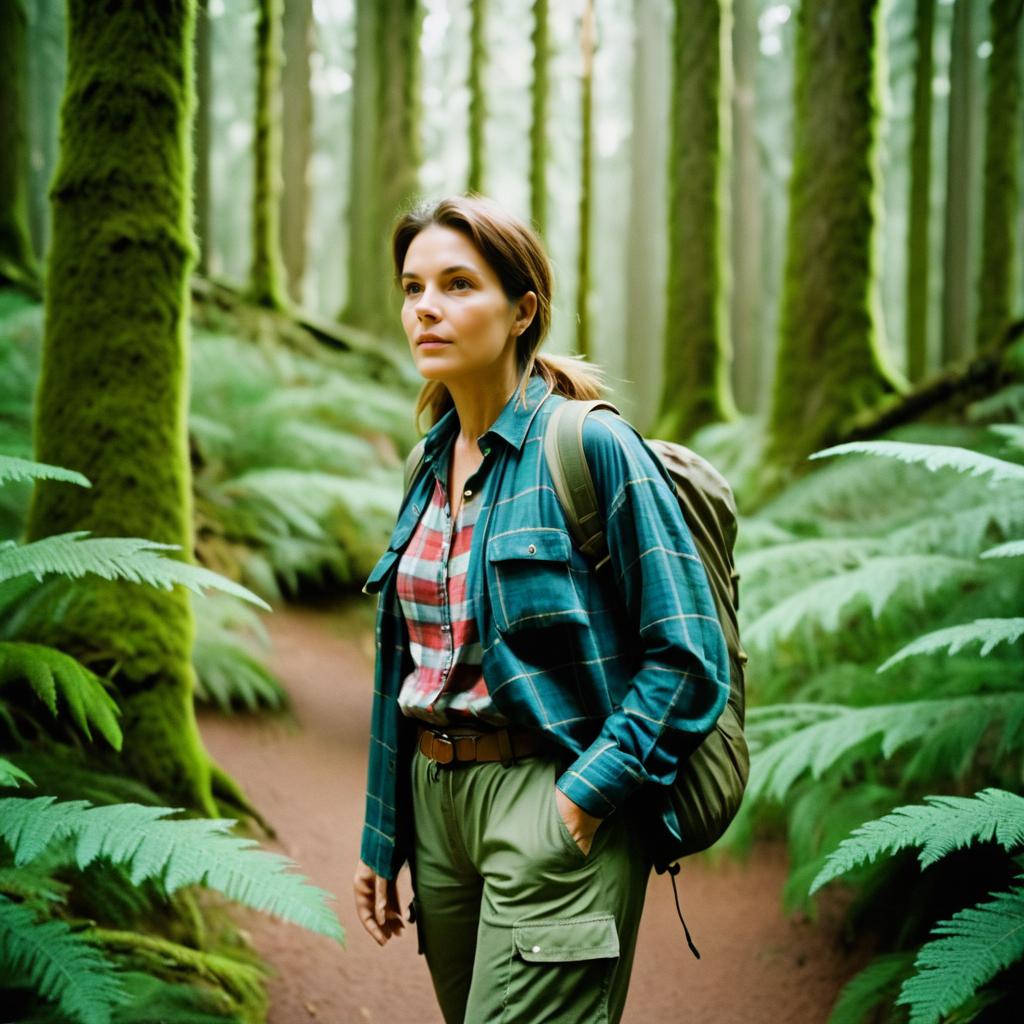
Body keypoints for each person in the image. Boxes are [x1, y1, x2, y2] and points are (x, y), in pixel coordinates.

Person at [353, 194, 729, 1024]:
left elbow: (688, 652)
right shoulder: (427, 462)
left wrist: (584, 798)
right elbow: (404, 666)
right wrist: (384, 834)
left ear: (523, 309)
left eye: (458, 284)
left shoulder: (589, 446)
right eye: (413, 288)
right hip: (435, 806)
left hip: (548, 794)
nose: (427, 309)